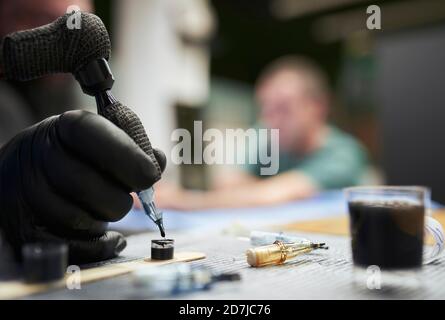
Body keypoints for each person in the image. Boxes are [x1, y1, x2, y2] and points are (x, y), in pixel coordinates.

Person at [0, 1, 166, 263]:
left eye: (77, 21)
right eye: (43, 18)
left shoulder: (68, 89)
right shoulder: (7, 101)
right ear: (8, 17)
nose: (71, 36)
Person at [156, 56, 368, 210]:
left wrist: (184, 200)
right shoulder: (267, 135)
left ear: (318, 107)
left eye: (283, 109)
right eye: (265, 109)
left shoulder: (344, 153)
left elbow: (272, 194)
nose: (270, 121)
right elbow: (229, 183)